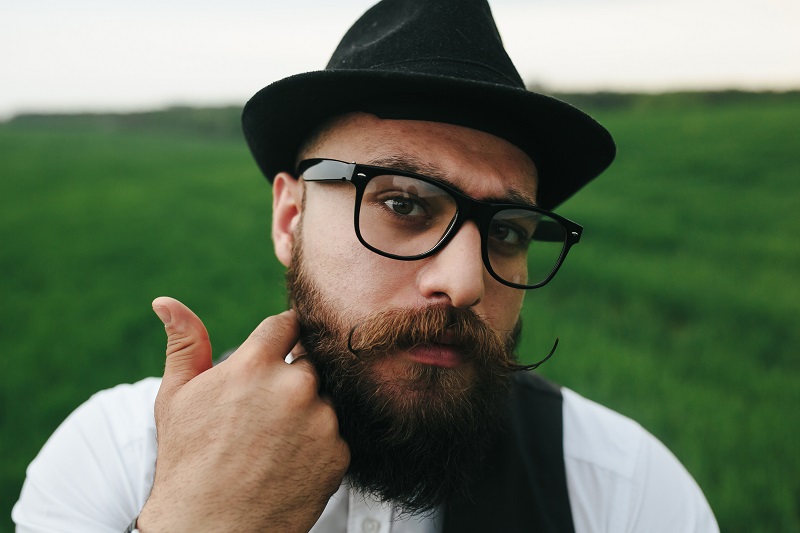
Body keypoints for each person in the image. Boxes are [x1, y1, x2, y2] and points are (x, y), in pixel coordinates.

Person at [13, 0, 719, 531]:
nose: (466, 280)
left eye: (507, 230)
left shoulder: (625, 490)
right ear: (290, 220)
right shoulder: (118, 456)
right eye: (405, 205)